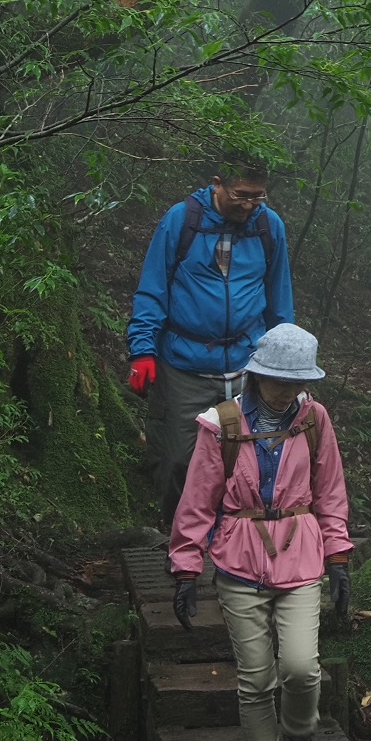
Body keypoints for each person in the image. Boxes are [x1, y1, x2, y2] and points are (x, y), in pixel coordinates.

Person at [168, 322, 353, 741]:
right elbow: (198, 501)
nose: (287, 391)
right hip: (239, 560)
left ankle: (298, 734)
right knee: (255, 678)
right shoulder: (222, 425)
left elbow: (330, 491)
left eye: (295, 382)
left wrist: (338, 558)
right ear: (256, 374)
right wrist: (186, 568)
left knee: (300, 668)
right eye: (278, 381)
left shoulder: (314, 420)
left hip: (300, 557)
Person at [128, 161, 294, 523]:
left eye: (258, 196)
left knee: (251, 460)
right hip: (184, 364)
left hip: (248, 364)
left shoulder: (269, 227)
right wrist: (142, 349)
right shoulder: (182, 220)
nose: (250, 205)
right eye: (242, 195)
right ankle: (181, 539)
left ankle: (232, 541)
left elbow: (279, 302)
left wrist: (286, 367)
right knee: (180, 462)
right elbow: (152, 289)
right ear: (217, 184)